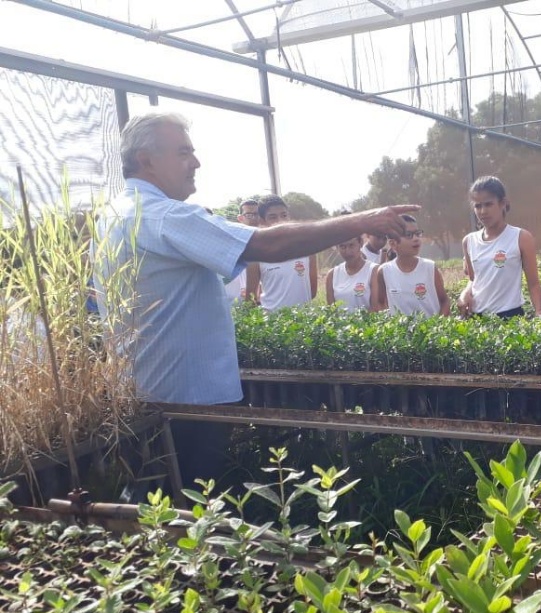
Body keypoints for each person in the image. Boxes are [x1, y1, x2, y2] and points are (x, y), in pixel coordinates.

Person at [93, 112, 417, 485]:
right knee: (192, 512)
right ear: (146, 159)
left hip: (143, 395)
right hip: (186, 404)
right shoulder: (163, 217)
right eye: (184, 152)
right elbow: (269, 243)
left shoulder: (114, 215)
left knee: (156, 512)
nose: (196, 162)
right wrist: (361, 221)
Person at [458, 176, 541, 318]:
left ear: (503, 203)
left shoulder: (521, 237)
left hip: (510, 317)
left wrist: (539, 311)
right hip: (477, 320)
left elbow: (533, 284)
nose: (483, 211)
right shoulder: (468, 241)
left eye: (488, 204)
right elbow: (474, 280)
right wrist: (464, 293)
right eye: (478, 206)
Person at [244, 195, 318, 310]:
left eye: (284, 215)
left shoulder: (307, 249)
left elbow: (312, 291)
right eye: (273, 217)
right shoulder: (256, 255)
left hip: (305, 322)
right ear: (263, 221)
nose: (280, 221)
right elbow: (250, 299)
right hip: (273, 324)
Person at [373, 214, 449, 316]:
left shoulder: (430, 268)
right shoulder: (384, 271)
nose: (416, 239)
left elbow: (444, 301)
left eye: (417, 233)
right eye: (408, 235)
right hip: (401, 332)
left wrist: (438, 327)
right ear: (393, 243)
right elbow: (381, 303)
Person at [325, 235, 377, 312]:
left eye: (351, 245)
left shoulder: (373, 271)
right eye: (342, 247)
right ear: (337, 247)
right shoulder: (332, 275)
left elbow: (376, 309)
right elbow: (332, 312)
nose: (347, 252)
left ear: (361, 243)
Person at [223, 198, 259, 301]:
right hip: (237, 305)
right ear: (240, 218)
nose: (254, 218)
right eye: (249, 215)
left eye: (257, 214)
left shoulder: (268, 245)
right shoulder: (230, 245)